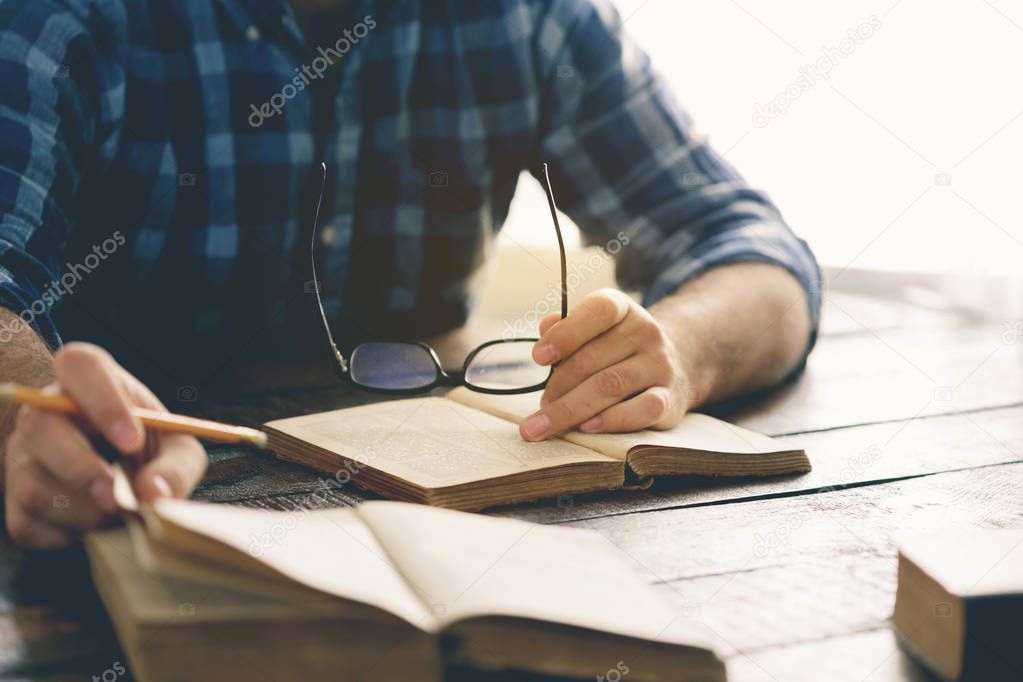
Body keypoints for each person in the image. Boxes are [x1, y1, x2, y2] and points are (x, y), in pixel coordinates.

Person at [0, 0, 821, 549]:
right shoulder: (61, 18)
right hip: (144, 519)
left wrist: (679, 348)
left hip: (461, 529)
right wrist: (33, 413)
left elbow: (747, 245)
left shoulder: (527, 16)